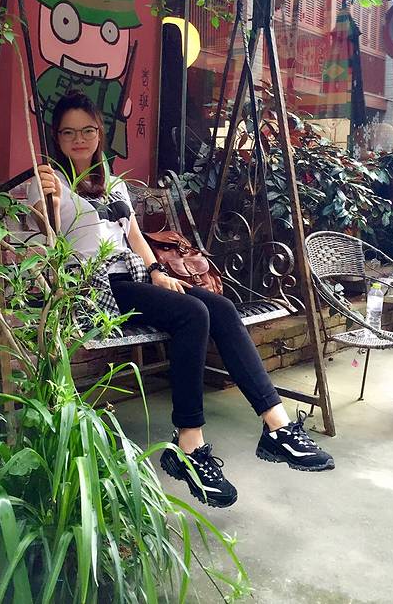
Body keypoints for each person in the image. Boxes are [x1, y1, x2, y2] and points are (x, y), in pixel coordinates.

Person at [29, 90, 334, 509]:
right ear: (56, 137)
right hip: (96, 287)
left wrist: (158, 271)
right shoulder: (49, 182)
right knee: (192, 315)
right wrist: (49, 203)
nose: (79, 139)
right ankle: (189, 444)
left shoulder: (112, 184)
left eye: (87, 130)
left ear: (100, 133)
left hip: (135, 277)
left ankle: (276, 426)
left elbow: (135, 237)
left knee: (221, 308)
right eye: (68, 132)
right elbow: (43, 237)